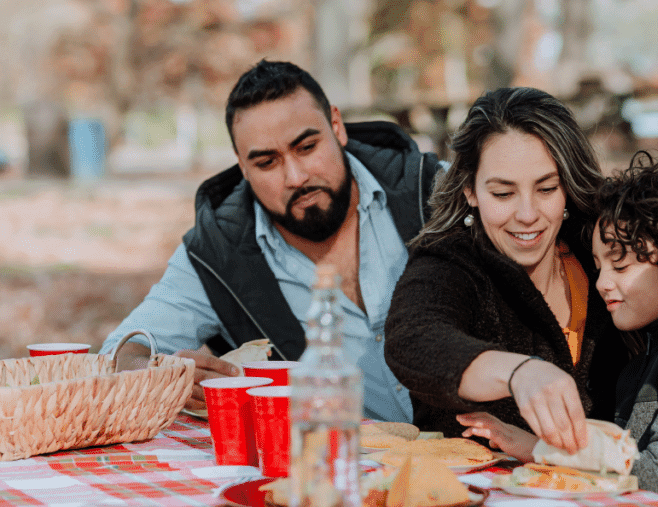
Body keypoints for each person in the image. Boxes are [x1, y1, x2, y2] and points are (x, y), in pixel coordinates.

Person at [100, 60, 444, 423]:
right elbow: (119, 354)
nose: (296, 177)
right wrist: (158, 371)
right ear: (242, 167)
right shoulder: (217, 253)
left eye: (307, 147)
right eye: (267, 163)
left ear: (337, 127)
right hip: (334, 466)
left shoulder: (434, 192)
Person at [458, 152, 658, 501]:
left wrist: (539, 450)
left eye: (620, 267)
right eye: (598, 267)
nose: (601, 283)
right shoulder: (651, 347)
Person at [384, 87, 627, 453]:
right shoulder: (448, 262)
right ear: (470, 190)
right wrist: (519, 372)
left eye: (546, 188)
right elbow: (413, 341)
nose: (527, 214)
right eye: (503, 194)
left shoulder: (601, 251)